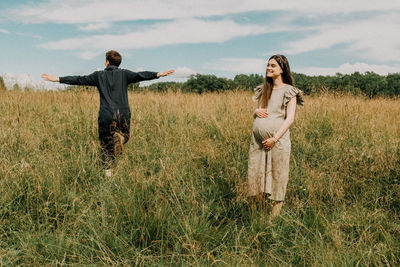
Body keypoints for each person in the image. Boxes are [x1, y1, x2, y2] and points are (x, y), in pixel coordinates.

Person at [42, 50, 174, 176]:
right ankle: (120, 141)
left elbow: (79, 79)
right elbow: (141, 75)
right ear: (118, 63)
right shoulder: (125, 74)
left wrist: (57, 79)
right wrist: (158, 74)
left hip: (106, 115)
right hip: (123, 114)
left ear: (107, 62)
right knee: (123, 138)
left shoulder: (99, 75)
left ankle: (108, 173)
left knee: (106, 145)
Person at [247, 54, 304, 222]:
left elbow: (290, 118)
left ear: (282, 69)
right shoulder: (263, 89)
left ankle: (272, 222)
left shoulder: (289, 91)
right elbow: (259, 112)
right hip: (257, 143)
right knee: (256, 176)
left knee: (277, 178)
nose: (268, 68)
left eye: (272, 66)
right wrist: (254, 112)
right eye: (267, 65)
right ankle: (256, 219)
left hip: (277, 143)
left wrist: (274, 139)